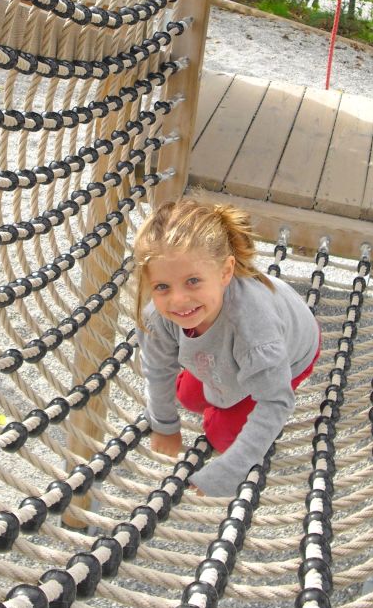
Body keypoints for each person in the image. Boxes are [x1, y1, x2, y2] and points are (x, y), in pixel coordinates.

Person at [133, 197, 321, 497]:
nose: (178, 300)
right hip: (231, 347)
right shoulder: (158, 318)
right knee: (187, 396)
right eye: (162, 287)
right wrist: (165, 425)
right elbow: (157, 370)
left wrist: (231, 471)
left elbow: (276, 401)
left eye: (193, 281)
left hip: (291, 351)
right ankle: (220, 394)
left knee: (220, 433)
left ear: (225, 272)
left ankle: (225, 411)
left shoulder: (253, 330)